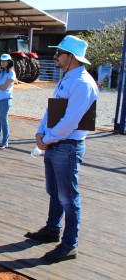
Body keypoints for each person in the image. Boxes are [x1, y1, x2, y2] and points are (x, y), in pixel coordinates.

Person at [25, 35, 98, 262]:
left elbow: (70, 121)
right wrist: (41, 133)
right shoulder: (68, 78)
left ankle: (69, 245)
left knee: (68, 197)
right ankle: (52, 229)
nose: (55, 56)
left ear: (71, 57)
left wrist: (47, 138)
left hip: (67, 146)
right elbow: (52, 110)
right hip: (57, 144)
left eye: (59, 53)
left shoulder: (83, 83)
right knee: (55, 193)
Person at [0, 54, 16, 150]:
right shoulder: (0, 72)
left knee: (3, 121)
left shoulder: (11, 73)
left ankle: (5, 141)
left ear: (9, 62)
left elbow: (5, 87)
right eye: (1, 61)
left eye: (5, 61)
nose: (2, 62)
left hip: (5, 99)